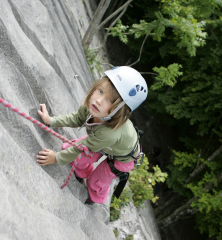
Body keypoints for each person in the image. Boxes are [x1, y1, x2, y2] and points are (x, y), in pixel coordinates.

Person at [36, 66, 148, 204]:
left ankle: (96, 197)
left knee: (97, 180)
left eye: (110, 100)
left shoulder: (110, 133)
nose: (99, 100)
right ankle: (82, 172)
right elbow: (77, 119)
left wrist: (57, 158)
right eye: (100, 91)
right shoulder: (93, 107)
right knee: (70, 152)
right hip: (103, 142)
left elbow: (81, 147)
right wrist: (51, 121)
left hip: (122, 158)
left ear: (121, 111)